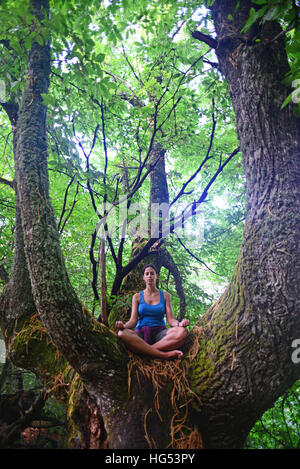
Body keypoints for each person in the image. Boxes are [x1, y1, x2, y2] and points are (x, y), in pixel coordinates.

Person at [115, 264, 190, 359]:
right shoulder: (137, 297)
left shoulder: (165, 296)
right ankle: (163, 355)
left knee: (183, 332)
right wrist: (123, 326)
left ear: (156, 276)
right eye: (147, 274)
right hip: (141, 334)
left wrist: (180, 324)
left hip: (160, 333)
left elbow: (171, 320)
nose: (149, 276)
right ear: (143, 277)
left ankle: (146, 350)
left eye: (152, 273)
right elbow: (133, 321)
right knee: (122, 333)